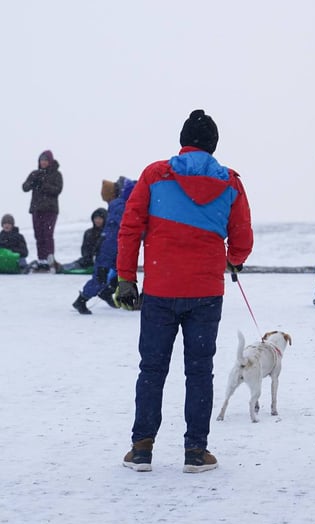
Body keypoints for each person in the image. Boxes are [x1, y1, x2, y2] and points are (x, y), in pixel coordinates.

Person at [116, 109, 253, 473]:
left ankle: (141, 448)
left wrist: (126, 277)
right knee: (199, 371)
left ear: (182, 141)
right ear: (213, 145)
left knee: (152, 368)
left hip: (160, 289)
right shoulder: (231, 183)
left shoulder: (155, 175)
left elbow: (130, 228)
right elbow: (242, 238)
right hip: (206, 293)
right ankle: (196, 451)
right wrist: (232, 260)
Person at [72, 176, 134, 314]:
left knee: (116, 274)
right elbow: (121, 227)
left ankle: (105, 292)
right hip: (110, 249)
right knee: (101, 277)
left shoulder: (118, 204)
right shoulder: (120, 205)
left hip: (112, 247)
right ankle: (81, 300)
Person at [21, 150, 64, 272]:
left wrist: (43, 185)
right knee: (38, 235)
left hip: (50, 209)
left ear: (50, 161)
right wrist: (32, 181)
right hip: (36, 209)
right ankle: (42, 260)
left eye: (45, 160)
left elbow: (58, 190)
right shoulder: (35, 173)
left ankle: (50, 259)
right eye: (41, 160)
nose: (43, 162)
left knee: (47, 234)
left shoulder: (56, 174)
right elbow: (24, 187)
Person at [58, 207, 107, 274]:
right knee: (75, 264)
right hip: (87, 260)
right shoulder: (89, 232)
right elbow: (84, 248)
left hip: (100, 261)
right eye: (96, 218)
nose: (97, 221)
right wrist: (88, 256)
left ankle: (59, 268)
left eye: (100, 219)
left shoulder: (106, 233)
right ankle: (57, 267)